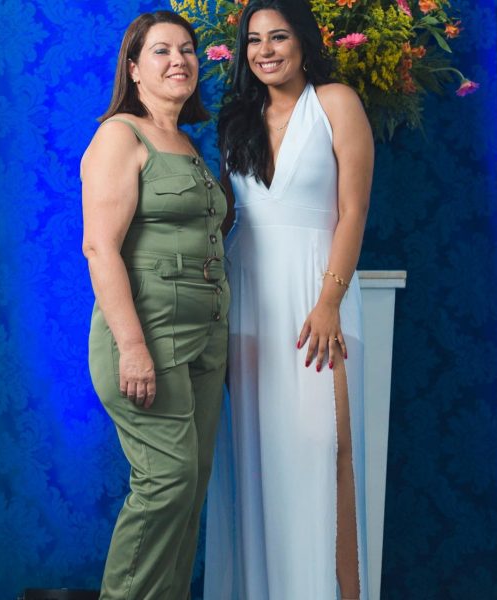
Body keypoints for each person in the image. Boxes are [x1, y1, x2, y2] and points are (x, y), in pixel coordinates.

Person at [204, 0, 374, 598]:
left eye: (278, 37)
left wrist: (328, 303)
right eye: (253, 40)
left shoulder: (336, 103)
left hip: (318, 297)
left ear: (303, 41)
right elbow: (228, 219)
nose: (265, 51)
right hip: (248, 304)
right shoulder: (236, 121)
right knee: (257, 459)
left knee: (327, 452)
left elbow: (353, 210)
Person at [81, 11, 229, 600]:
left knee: (189, 490)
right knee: (167, 482)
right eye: (162, 51)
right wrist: (133, 348)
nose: (179, 61)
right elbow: (99, 247)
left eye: (187, 49)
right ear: (135, 69)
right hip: (148, 336)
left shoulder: (188, 143)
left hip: (205, 337)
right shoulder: (121, 135)